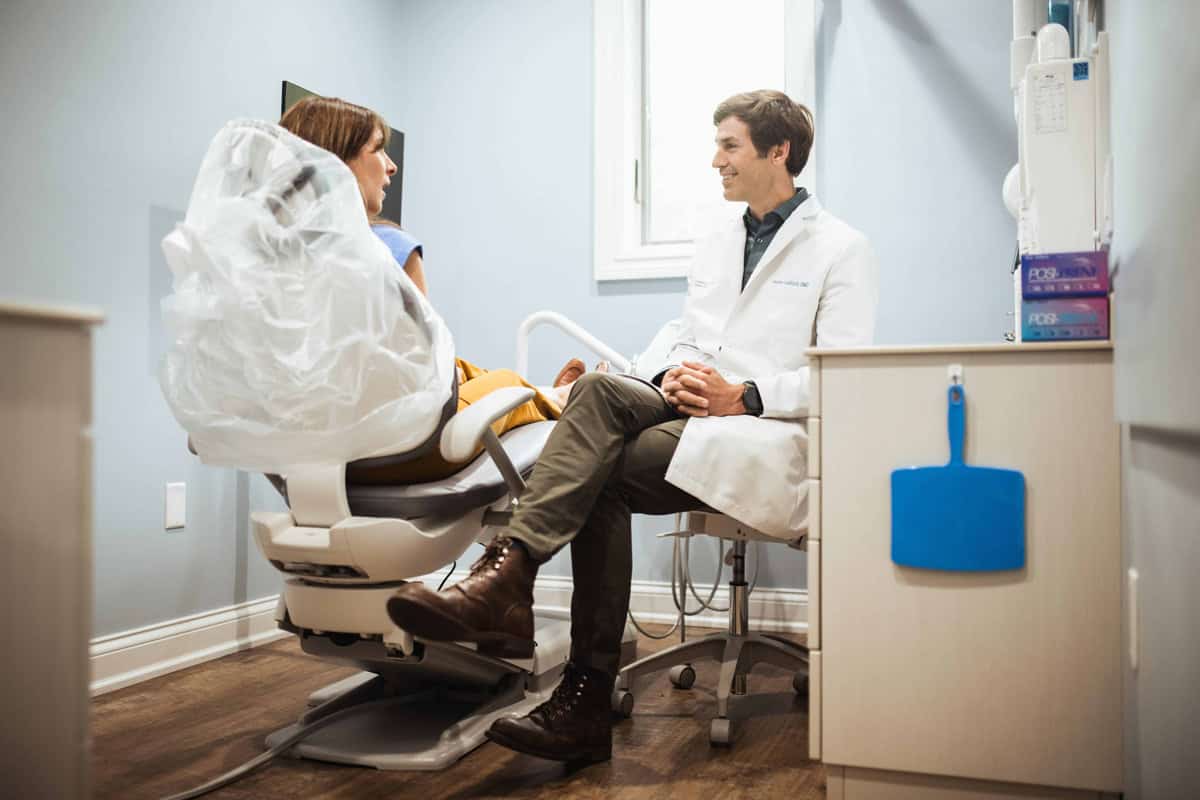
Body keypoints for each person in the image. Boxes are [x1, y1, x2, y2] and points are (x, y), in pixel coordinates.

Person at [383, 89, 880, 762]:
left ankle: (553, 650)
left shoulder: (841, 249)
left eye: (729, 146)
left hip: (761, 429)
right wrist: (670, 372)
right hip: (687, 399)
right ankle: (516, 594)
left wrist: (747, 394)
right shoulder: (718, 237)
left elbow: (842, 372)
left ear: (778, 151)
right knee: (594, 389)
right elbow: (688, 330)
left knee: (600, 475)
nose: (716, 161)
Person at [279, 96, 581, 481]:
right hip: (402, 452)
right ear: (337, 165)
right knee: (505, 385)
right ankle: (554, 398)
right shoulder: (385, 252)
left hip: (314, 458)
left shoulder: (273, 262)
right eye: (377, 149)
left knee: (463, 369)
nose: (391, 165)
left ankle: (545, 392)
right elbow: (427, 375)